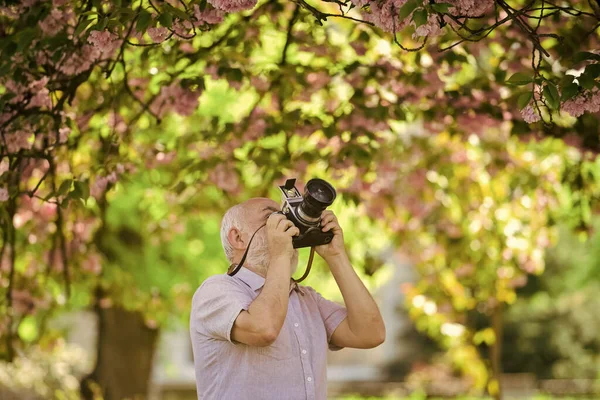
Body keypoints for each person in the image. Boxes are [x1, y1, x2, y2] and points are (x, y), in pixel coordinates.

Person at [190, 197, 386, 400]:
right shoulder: (215, 291)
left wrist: (336, 255)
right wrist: (280, 255)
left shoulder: (306, 299)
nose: (288, 225)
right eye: (271, 217)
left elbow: (371, 333)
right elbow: (263, 329)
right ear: (238, 238)